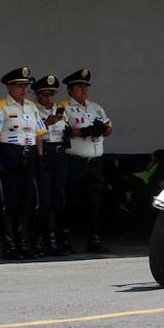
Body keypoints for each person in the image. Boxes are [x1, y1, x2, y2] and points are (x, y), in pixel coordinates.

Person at [0, 67, 47, 260]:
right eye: (19, 86)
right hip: (9, 154)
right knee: (10, 202)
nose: (24, 90)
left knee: (27, 201)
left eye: (26, 86)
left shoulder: (31, 107)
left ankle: (23, 243)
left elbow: (39, 134)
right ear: (9, 87)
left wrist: (39, 156)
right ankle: (10, 244)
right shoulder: (1, 107)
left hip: (28, 155)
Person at [59, 69, 113, 254]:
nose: (83, 90)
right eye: (78, 87)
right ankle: (64, 239)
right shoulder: (64, 106)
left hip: (95, 161)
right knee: (71, 200)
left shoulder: (95, 107)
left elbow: (108, 127)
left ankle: (94, 240)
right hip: (76, 161)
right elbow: (64, 130)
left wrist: (102, 129)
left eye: (85, 86)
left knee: (95, 202)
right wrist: (86, 131)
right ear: (70, 90)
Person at [32, 74, 67, 256]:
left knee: (57, 198)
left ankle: (53, 240)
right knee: (43, 200)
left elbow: (66, 129)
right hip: (43, 151)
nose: (48, 98)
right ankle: (39, 240)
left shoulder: (61, 110)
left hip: (59, 153)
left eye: (51, 94)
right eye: (45, 94)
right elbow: (33, 129)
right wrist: (47, 122)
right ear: (38, 95)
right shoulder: (34, 110)